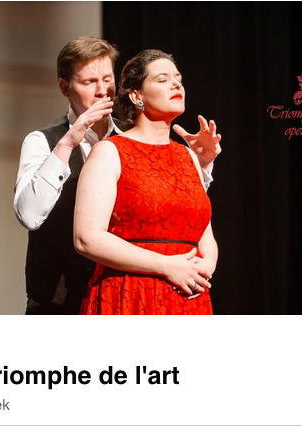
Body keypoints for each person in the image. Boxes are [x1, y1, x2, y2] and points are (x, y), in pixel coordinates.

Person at [14, 38, 218, 315]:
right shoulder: (46, 141)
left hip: (161, 286)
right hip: (67, 296)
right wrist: (67, 145)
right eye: (89, 82)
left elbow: (172, 215)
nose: (102, 91)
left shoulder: (139, 140)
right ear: (65, 87)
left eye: (107, 80)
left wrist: (200, 165)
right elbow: (30, 215)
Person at [74, 49, 222, 315]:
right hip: (131, 292)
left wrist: (207, 264)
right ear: (136, 96)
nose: (176, 85)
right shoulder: (110, 152)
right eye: (163, 79)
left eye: (178, 79)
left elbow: (203, 233)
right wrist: (166, 266)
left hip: (188, 297)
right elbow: (87, 238)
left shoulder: (188, 156)